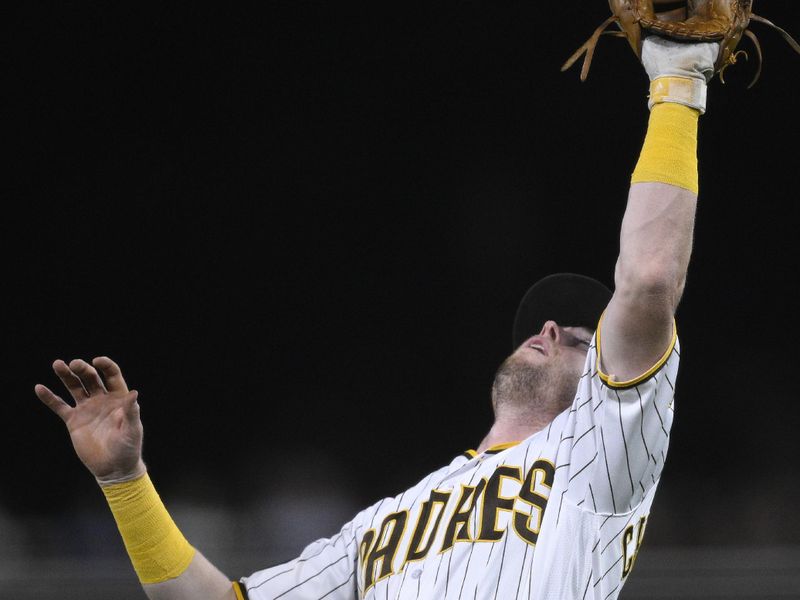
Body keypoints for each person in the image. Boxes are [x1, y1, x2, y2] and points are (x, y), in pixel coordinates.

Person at [35, 33, 714, 600]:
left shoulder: (600, 460)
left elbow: (650, 279)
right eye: (541, 325)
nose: (548, 332)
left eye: (575, 336)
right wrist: (124, 483)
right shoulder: (382, 525)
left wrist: (678, 83)